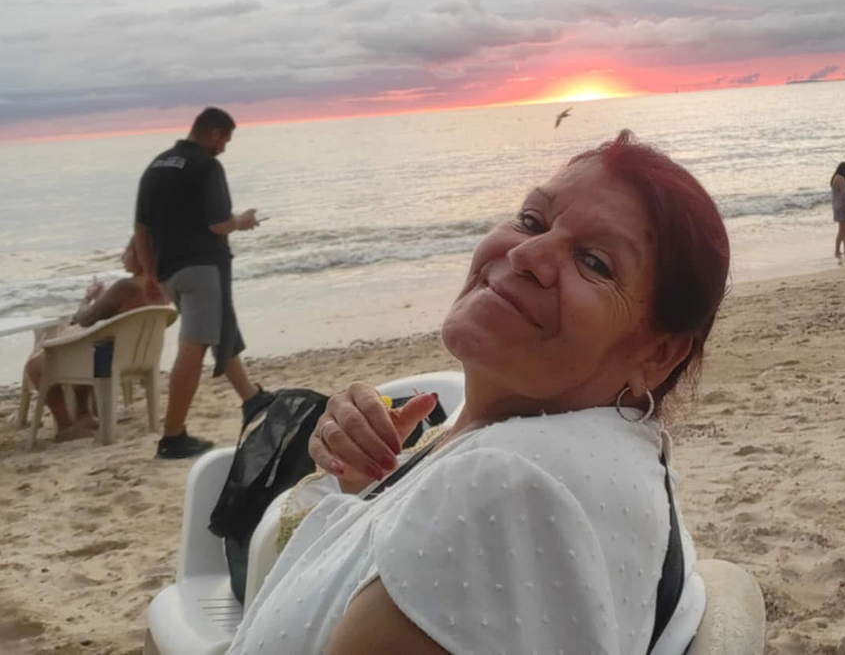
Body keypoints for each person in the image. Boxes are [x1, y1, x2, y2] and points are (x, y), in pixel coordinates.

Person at [226, 130, 729, 655]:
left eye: (595, 262)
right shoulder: (594, 451)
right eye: (532, 220)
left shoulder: (507, 489)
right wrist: (362, 485)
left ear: (658, 354)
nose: (527, 254)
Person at [134, 107, 273, 459]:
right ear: (213, 133)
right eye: (225, 139)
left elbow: (141, 228)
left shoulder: (157, 165)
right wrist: (243, 220)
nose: (224, 148)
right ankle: (172, 436)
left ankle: (252, 398)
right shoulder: (207, 166)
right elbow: (219, 224)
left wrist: (149, 272)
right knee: (193, 346)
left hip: (169, 271)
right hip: (201, 269)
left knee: (221, 326)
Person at [24, 239, 168, 441]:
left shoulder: (126, 286)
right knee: (91, 345)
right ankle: (85, 415)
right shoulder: (162, 286)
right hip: (139, 357)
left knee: (34, 366)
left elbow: (85, 319)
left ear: (141, 256)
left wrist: (88, 299)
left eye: (127, 252)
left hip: (106, 361)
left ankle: (65, 426)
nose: (122, 257)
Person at [831, 161, 845, 257]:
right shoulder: (840, 178)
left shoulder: (836, 177)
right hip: (841, 206)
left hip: (839, 205)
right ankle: (837, 250)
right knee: (842, 228)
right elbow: (844, 193)